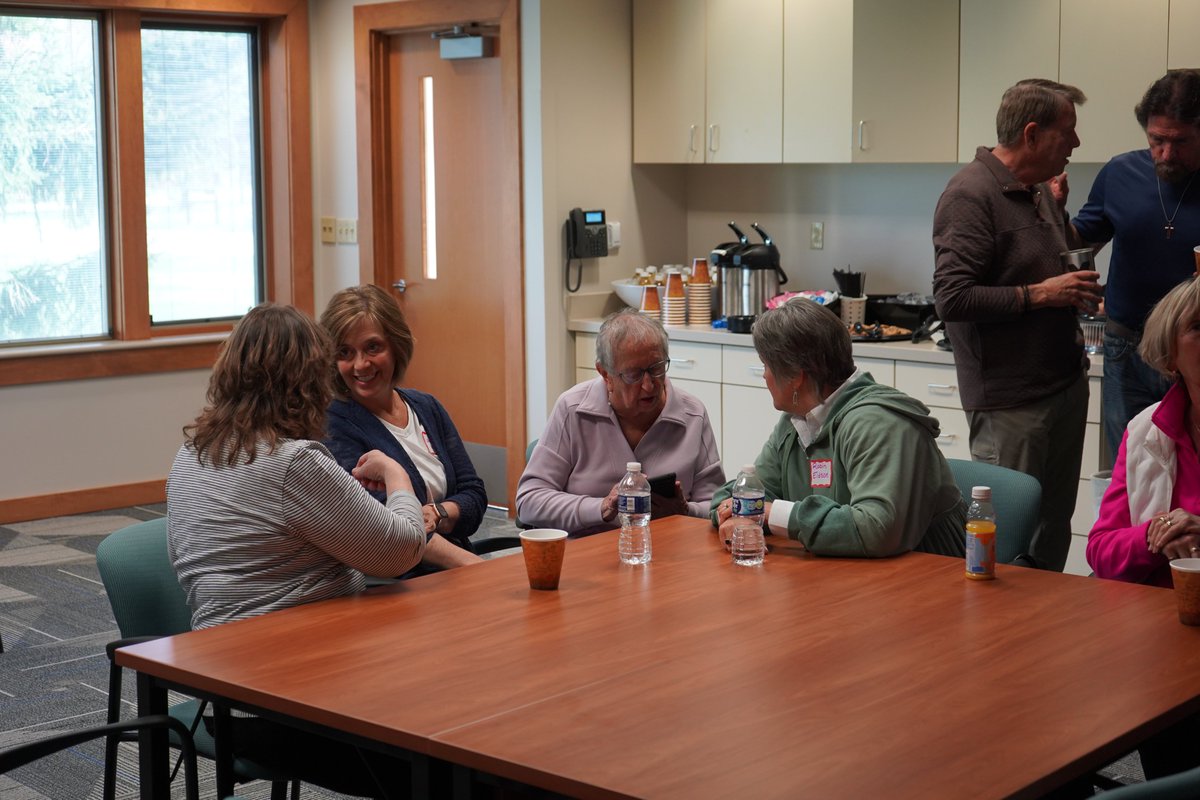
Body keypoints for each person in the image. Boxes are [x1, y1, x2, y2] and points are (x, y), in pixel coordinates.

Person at [167, 302, 424, 799]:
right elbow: (402, 552)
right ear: (307, 380)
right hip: (294, 705)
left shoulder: (189, 455)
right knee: (451, 758)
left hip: (222, 693)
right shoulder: (293, 463)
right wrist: (397, 476)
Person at [932, 78, 1103, 572]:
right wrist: (1041, 295)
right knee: (1004, 541)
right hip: (1012, 401)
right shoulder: (970, 195)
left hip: (1063, 384)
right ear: (1032, 134)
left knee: (1053, 526)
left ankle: (1041, 638)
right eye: (1067, 131)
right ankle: (994, 641)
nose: (1076, 143)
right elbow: (952, 297)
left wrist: (1061, 214)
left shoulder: (1037, 190)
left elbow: (1044, 258)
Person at [710, 300, 966, 557]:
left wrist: (772, 514)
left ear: (797, 376)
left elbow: (877, 529)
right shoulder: (796, 421)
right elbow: (741, 493)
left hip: (929, 576)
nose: (764, 376)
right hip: (841, 572)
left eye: (766, 365)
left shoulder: (879, 423)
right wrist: (736, 517)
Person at [1069, 69, 1200, 464]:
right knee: (1126, 467)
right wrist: (1053, 211)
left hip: (1194, 348)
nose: (1165, 154)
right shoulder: (1120, 173)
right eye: (1156, 140)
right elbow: (1079, 245)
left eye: (1180, 142)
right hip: (1127, 346)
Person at [516, 308, 724, 537]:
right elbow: (529, 501)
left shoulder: (692, 414)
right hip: (588, 555)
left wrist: (684, 511)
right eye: (633, 375)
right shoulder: (572, 410)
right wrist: (602, 507)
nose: (649, 385)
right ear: (605, 374)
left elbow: (718, 507)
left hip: (669, 553)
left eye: (656, 369)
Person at [321, 284, 485, 572]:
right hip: (402, 585)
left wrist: (438, 512)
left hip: (454, 573)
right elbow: (389, 529)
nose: (360, 364)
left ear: (396, 345)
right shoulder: (334, 426)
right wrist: (475, 565)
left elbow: (474, 494)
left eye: (373, 347)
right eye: (345, 352)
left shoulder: (426, 406)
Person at [1088, 276, 1200, 586]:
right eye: (1198, 327)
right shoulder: (1145, 430)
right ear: (1170, 353)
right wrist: (1154, 538)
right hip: (1153, 616)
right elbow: (1100, 551)